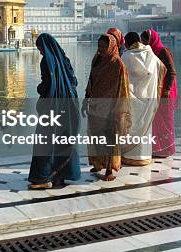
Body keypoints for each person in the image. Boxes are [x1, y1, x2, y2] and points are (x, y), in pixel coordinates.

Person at [28, 33, 81, 189]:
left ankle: (43, 178)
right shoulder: (64, 59)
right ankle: (60, 177)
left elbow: (47, 85)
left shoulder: (47, 61)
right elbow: (74, 81)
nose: (41, 53)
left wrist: (39, 89)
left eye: (40, 50)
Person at [82, 34, 132, 181]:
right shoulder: (97, 60)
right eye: (99, 46)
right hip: (96, 106)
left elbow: (123, 89)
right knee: (96, 137)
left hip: (111, 109)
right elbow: (91, 80)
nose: (101, 49)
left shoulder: (118, 64)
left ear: (111, 46)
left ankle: (109, 169)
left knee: (110, 139)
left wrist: (119, 110)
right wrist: (86, 99)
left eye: (104, 47)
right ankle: (98, 163)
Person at [121, 32, 166, 166]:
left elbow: (121, 76)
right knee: (145, 126)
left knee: (132, 126)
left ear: (127, 43)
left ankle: (130, 156)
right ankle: (144, 157)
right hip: (148, 97)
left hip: (132, 98)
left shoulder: (126, 56)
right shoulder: (150, 54)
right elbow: (162, 68)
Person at [141, 29, 178, 157]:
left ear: (152, 40)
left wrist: (166, 90)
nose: (144, 44)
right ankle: (156, 148)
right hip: (155, 90)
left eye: (145, 41)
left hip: (165, 92)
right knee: (155, 120)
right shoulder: (150, 52)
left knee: (165, 120)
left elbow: (172, 72)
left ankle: (166, 149)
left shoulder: (163, 51)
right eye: (143, 42)